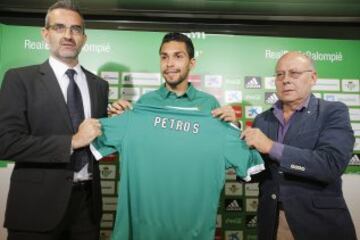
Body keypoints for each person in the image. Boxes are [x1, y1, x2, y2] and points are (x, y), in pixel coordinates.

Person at [0, 1, 108, 240]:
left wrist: (117, 123)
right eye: (59, 27)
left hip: (87, 209)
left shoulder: (100, 86)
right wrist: (72, 141)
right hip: (35, 209)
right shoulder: (20, 79)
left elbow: (96, 140)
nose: (68, 35)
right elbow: (6, 143)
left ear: (84, 38)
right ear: (45, 34)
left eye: (76, 29)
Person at [241, 51, 356, 240]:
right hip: (272, 223)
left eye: (294, 73)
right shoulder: (262, 120)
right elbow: (257, 173)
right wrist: (230, 140)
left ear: (313, 78)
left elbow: (331, 164)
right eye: (280, 74)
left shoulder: (333, 112)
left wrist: (271, 147)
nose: (285, 80)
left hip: (320, 224)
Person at [108, 32, 238, 124]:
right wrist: (118, 121)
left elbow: (226, 143)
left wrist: (234, 125)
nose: (169, 63)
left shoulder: (209, 103)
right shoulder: (146, 102)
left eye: (178, 56)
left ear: (191, 63)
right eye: (164, 57)